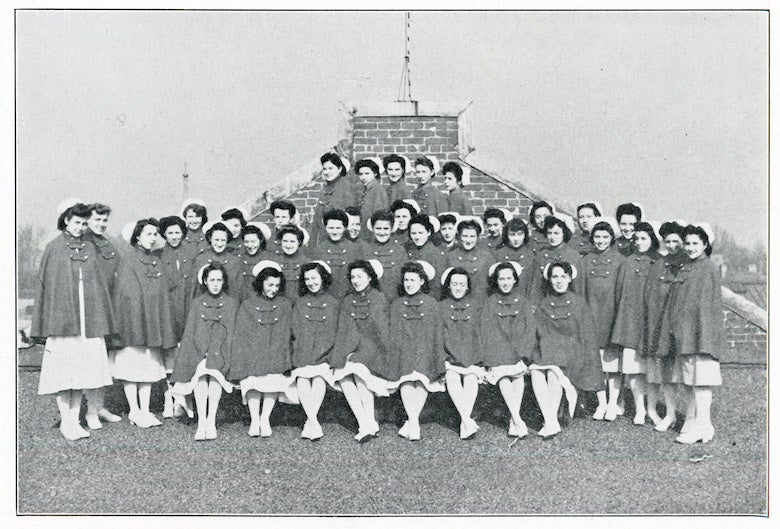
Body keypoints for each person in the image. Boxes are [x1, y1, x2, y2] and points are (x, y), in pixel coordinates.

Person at [31, 199, 116, 440]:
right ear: (66, 220)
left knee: (82, 372)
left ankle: (75, 418)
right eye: (77, 222)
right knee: (64, 371)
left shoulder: (89, 248)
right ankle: (67, 421)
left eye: (83, 223)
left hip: (87, 323)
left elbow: (97, 284)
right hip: (64, 322)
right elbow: (47, 288)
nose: (80, 227)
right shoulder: (54, 248)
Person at [110, 218, 176, 428]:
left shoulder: (156, 261)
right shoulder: (128, 260)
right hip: (134, 325)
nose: (152, 238)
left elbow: (162, 293)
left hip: (152, 324)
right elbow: (126, 294)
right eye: (148, 234)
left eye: (155, 234)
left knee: (148, 368)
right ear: (137, 236)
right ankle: (134, 410)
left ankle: (145, 410)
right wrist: (139, 319)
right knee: (132, 367)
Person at [531, 261, 603, 438]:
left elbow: (586, 336)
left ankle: (549, 421)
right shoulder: (544, 304)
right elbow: (539, 332)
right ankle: (551, 421)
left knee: (554, 373)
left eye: (563, 276)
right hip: (549, 350)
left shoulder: (578, 303)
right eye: (555, 276)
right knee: (536, 372)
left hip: (572, 353)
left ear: (570, 279)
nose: (559, 281)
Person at [667, 224, 723, 444]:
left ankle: (702, 425)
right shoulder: (686, 267)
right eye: (687, 243)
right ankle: (700, 425)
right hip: (685, 334)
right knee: (690, 381)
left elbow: (707, 306)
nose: (690, 248)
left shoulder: (708, 268)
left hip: (701, 334)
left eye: (695, 244)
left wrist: (704, 336)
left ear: (705, 245)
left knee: (701, 382)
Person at [170, 263, 237, 440]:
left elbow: (229, 333)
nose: (215, 284)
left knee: (214, 376)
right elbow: (192, 332)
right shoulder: (197, 303)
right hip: (199, 352)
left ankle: (211, 421)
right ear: (205, 282)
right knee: (200, 376)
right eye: (212, 280)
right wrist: (203, 352)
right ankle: (201, 423)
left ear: (224, 282)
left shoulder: (231, 304)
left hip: (221, 353)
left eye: (219, 280)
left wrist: (215, 352)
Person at [229, 261, 295, 437]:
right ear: (261, 284)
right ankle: (254, 419)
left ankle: (265, 418)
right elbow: (243, 334)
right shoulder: (248, 305)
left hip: (275, 351)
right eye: (270, 285)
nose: (273, 289)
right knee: (253, 381)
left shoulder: (285, 304)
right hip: (253, 352)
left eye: (277, 285)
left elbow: (285, 333)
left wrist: (279, 355)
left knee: (273, 378)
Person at [331, 259, 392, 442]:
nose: (356, 280)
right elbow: (345, 330)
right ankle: (365, 423)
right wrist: (344, 353)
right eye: (353, 277)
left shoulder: (378, 298)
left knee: (358, 372)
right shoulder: (348, 300)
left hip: (374, 350)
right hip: (352, 348)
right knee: (343, 375)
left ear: (370, 278)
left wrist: (360, 353)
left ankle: (368, 422)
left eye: (360, 276)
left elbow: (379, 332)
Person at [388, 261, 446, 441]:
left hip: (424, 349)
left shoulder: (431, 304)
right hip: (403, 348)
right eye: (406, 280)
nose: (409, 284)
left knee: (420, 378)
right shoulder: (397, 304)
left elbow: (435, 333)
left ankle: (412, 422)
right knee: (406, 379)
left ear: (422, 281)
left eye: (413, 280)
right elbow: (394, 334)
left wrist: (435, 356)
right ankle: (414, 422)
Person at [610, 221, 661, 425]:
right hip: (631, 322)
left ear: (652, 240)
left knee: (653, 371)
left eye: (643, 239)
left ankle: (652, 408)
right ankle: (639, 410)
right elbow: (619, 293)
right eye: (636, 239)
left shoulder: (659, 261)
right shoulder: (628, 262)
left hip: (652, 323)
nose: (639, 242)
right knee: (632, 370)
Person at [480, 261, 536, 438]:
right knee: (503, 375)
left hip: (518, 351)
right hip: (498, 351)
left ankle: (514, 419)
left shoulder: (523, 301)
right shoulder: (490, 302)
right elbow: (487, 331)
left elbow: (529, 329)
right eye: (501, 279)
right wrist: (495, 355)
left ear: (515, 280)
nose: (505, 282)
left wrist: (523, 354)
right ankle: (517, 419)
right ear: (496, 281)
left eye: (508, 278)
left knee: (517, 375)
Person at [578, 218, 625, 421]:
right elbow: (580, 292)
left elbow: (622, 292)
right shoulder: (585, 260)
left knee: (613, 365)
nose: (600, 240)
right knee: (596, 364)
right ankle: (601, 403)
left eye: (605, 237)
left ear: (611, 238)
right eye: (597, 237)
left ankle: (613, 403)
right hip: (591, 317)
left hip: (611, 317)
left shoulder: (620, 260)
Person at [643, 220, 688, 431]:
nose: (671, 245)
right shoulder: (659, 264)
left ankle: (691, 417)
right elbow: (651, 297)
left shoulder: (688, 264)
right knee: (667, 375)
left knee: (687, 376)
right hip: (662, 327)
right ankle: (670, 414)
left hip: (681, 326)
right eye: (667, 241)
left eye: (675, 241)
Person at [81, 202, 123, 426]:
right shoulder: (84, 242)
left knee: (103, 360)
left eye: (105, 220)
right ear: (87, 220)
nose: (101, 224)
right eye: (97, 219)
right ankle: (89, 411)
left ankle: (99, 406)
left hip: (108, 307)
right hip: (90, 309)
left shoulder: (107, 243)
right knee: (90, 360)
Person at [291, 261, 339, 440]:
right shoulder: (300, 303)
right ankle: (313, 421)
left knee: (319, 376)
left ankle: (310, 421)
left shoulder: (332, 302)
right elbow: (296, 329)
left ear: (323, 278)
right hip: (303, 350)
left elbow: (333, 330)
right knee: (303, 375)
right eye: (307, 279)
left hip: (324, 352)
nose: (311, 282)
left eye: (314, 278)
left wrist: (324, 352)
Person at [439, 267, 485, 439]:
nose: (458, 287)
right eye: (454, 284)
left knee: (471, 377)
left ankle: (464, 421)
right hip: (450, 356)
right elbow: (439, 335)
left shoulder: (475, 306)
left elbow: (478, 333)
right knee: (451, 376)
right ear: (449, 286)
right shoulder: (441, 307)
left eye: (462, 284)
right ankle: (466, 420)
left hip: (470, 356)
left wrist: (475, 358)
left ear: (467, 287)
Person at [158, 215, 195, 418]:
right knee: (169, 356)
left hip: (187, 308)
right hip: (168, 310)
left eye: (177, 232)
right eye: (170, 233)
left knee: (186, 354)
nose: (174, 236)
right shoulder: (159, 255)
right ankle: (168, 398)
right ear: (164, 234)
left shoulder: (191, 253)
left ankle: (185, 398)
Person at [528, 214, 580, 304]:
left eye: (556, 233)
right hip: (546, 303)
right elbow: (535, 285)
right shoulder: (541, 255)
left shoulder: (573, 255)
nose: (552, 237)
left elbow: (577, 287)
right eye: (549, 233)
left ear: (564, 233)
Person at [312, 209, 363, 299]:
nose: (335, 232)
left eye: (338, 228)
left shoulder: (355, 249)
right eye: (331, 228)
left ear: (345, 228)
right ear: (325, 227)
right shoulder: (318, 250)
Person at [312, 153, 360, 245]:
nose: (327, 172)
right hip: (324, 238)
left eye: (331, 168)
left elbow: (349, 219)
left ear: (339, 169)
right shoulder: (326, 189)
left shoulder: (345, 187)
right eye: (325, 169)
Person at [188, 221, 241, 302]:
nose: (219, 244)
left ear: (227, 240)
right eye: (216, 240)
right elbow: (195, 291)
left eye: (223, 240)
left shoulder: (235, 262)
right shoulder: (200, 260)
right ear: (210, 238)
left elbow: (239, 291)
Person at [363, 210, 406, 302]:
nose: (382, 233)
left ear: (391, 229)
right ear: (372, 228)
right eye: (378, 228)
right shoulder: (365, 250)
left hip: (396, 299)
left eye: (386, 229)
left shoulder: (399, 250)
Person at [446, 217, 493, 299]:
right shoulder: (450, 256)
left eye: (472, 236)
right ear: (459, 236)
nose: (468, 240)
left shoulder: (487, 257)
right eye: (465, 236)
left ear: (477, 237)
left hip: (480, 302)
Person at [405, 214, 447, 299]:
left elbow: (438, 286)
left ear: (428, 232)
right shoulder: (407, 251)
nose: (417, 237)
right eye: (413, 233)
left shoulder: (436, 254)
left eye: (421, 233)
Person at [493, 218, 535, 298]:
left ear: (525, 235)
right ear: (506, 235)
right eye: (512, 234)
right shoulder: (498, 254)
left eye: (520, 234)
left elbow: (532, 283)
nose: (516, 239)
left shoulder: (530, 254)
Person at [272, 225, 311, 302]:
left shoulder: (307, 263)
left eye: (292, 241)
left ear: (299, 242)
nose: (288, 246)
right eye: (285, 241)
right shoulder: (274, 263)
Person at [235, 222, 271, 301]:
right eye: (246, 242)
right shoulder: (239, 257)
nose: (250, 246)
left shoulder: (268, 258)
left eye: (253, 241)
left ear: (260, 240)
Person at [356, 158, 390, 229]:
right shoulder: (367, 189)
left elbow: (379, 213)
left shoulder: (377, 189)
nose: (363, 177)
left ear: (375, 173)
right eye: (361, 174)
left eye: (367, 173)